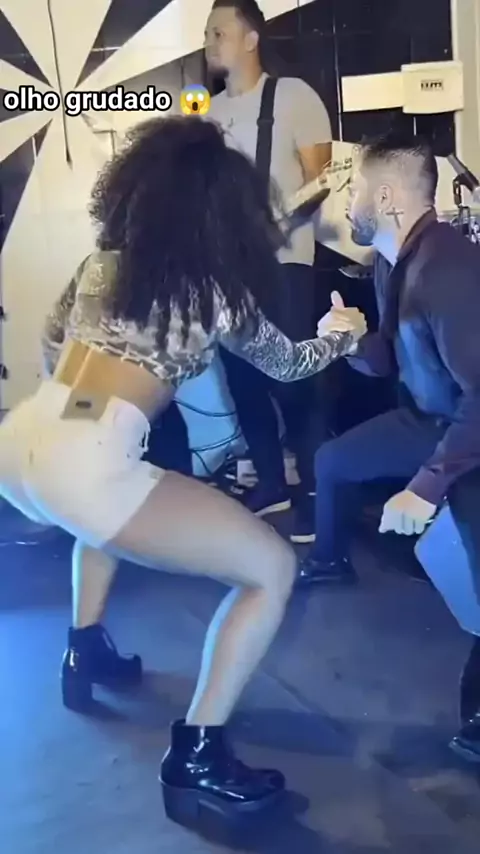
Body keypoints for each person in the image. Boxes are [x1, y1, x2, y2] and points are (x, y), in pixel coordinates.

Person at [0, 116, 367, 821]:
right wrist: (339, 336)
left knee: (98, 519)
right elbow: (289, 364)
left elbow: (51, 343)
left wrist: (94, 422)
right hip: (83, 461)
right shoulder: (214, 291)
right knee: (270, 569)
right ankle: (198, 754)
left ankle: (85, 650)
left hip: (25, 438)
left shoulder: (102, 262)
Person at [297, 131, 480, 759]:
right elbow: (391, 362)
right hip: (426, 419)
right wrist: (351, 339)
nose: (344, 199)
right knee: (332, 461)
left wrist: (427, 486)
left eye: (352, 185)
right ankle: (328, 559)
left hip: (468, 434)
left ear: (385, 197)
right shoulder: (389, 262)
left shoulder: (450, 269)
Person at [204, 0, 334, 541]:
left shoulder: (294, 96)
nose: (209, 42)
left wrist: (275, 225)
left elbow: (323, 181)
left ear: (252, 38)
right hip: (226, 273)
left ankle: (315, 497)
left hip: (284, 264)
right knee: (243, 382)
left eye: (219, 31)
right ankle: (272, 486)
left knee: (295, 381)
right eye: (207, 34)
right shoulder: (208, 115)